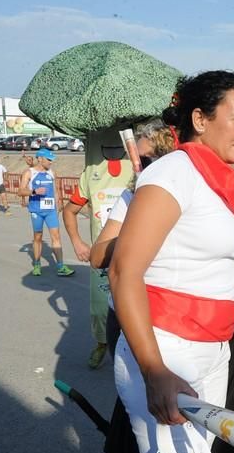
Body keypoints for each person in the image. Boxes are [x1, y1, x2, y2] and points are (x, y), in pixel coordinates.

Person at [108, 70, 234, 453]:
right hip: (167, 350)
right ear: (200, 119)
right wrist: (154, 370)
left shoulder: (216, 182)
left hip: (212, 351)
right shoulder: (174, 173)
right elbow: (124, 271)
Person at [62, 121, 170, 369]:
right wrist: (79, 242)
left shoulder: (145, 172)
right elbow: (70, 211)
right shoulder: (94, 175)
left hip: (150, 271)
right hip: (106, 258)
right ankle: (103, 344)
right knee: (105, 312)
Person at [17, 147, 75, 277]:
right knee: (38, 237)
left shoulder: (52, 173)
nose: (51, 162)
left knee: (56, 237)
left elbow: (55, 190)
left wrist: (59, 203)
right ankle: (37, 264)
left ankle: (60, 266)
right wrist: (34, 191)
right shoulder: (29, 173)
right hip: (36, 210)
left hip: (50, 210)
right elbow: (20, 191)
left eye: (52, 159)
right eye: (49, 159)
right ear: (40, 159)